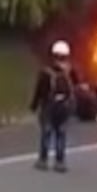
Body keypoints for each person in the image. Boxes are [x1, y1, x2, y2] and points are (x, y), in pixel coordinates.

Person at [29, 40, 76, 173]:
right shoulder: (70, 71)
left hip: (49, 106)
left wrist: (34, 106)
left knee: (46, 132)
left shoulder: (45, 72)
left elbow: (39, 91)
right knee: (61, 133)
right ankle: (60, 162)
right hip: (64, 107)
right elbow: (76, 87)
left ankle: (43, 161)